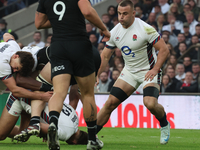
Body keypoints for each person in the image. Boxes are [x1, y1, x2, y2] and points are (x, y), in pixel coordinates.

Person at [35, 0, 110, 149]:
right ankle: (92, 139)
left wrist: (59, 21)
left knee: (58, 92)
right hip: (79, 45)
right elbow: (87, 12)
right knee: (88, 94)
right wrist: (103, 28)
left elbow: (39, 23)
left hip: (58, 46)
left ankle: (53, 124)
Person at [96, 0, 170, 145]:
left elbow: (164, 50)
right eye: (119, 13)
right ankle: (90, 135)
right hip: (129, 72)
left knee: (149, 103)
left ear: (133, 14)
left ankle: (164, 124)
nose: (121, 17)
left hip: (149, 71)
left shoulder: (145, 29)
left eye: (125, 14)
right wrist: (96, 75)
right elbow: (105, 56)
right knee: (110, 103)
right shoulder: (115, 31)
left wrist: (155, 69)